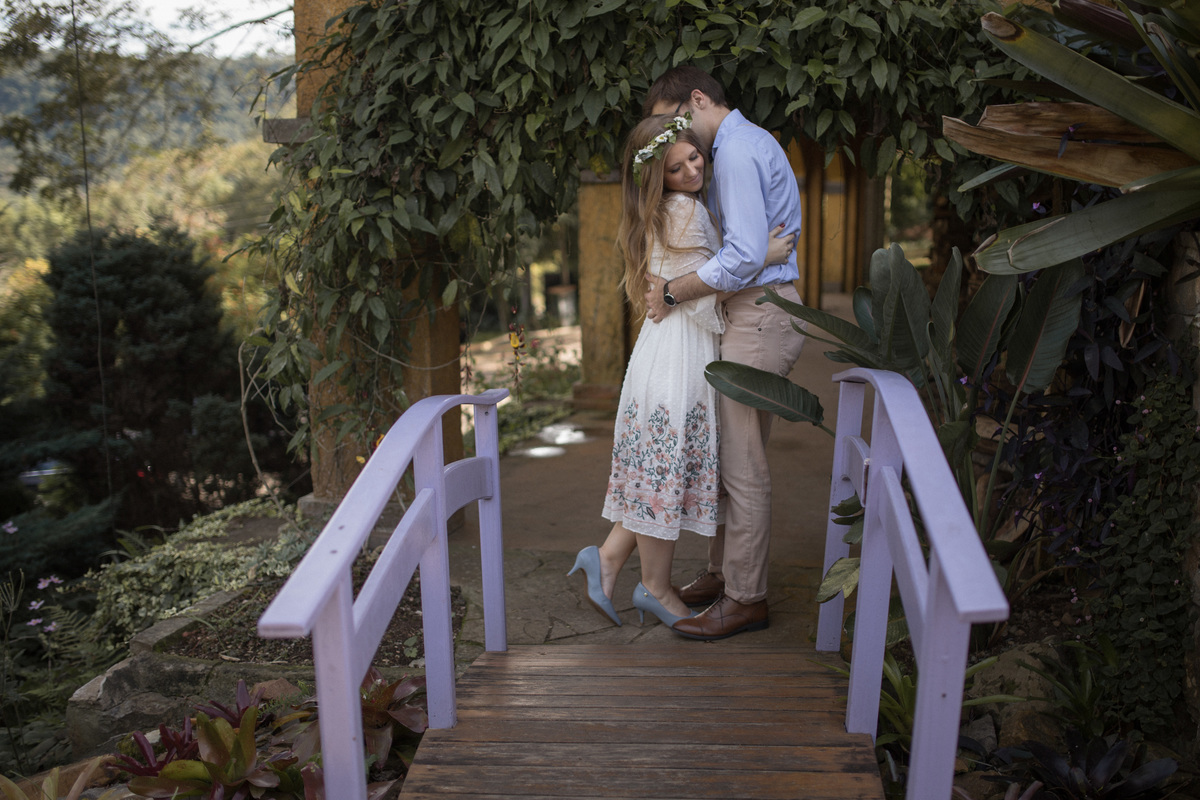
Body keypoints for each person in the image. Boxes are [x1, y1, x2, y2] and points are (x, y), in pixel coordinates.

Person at [569, 113, 794, 629]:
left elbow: (686, 283)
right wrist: (763, 256)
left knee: (658, 472)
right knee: (664, 471)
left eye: (694, 157)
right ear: (658, 178)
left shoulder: (666, 210)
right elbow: (709, 286)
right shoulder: (686, 211)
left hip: (662, 351)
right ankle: (654, 587)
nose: (692, 170)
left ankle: (607, 560)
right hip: (680, 357)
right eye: (676, 168)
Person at [641, 66, 807, 641]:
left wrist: (672, 291)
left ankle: (745, 598)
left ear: (696, 99)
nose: (671, 139)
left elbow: (740, 256)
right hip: (751, 311)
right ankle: (722, 573)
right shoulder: (743, 144)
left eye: (671, 122)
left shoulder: (735, 151)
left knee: (742, 464)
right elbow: (748, 249)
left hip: (760, 315)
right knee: (727, 454)